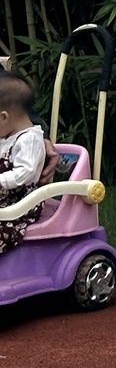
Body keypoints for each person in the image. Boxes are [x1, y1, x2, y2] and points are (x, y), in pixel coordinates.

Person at [0, 73, 48, 254]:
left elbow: (25, 172)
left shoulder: (30, 139)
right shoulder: (7, 136)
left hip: (19, 204)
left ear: (4, 117)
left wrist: (1, 180)